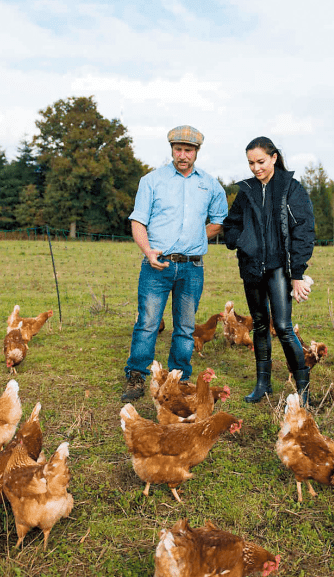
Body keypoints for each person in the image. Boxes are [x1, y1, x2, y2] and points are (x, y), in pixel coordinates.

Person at [121, 125, 228, 402]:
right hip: (157, 265)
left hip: (192, 268)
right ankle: (136, 375)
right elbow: (138, 221)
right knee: (147, 323)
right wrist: (148, 251)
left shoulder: (209, 184)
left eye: (188, 150)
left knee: (185, 327)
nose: (183, 155)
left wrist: (193, 240)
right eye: (178, 149)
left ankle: (179, 377)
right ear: (171, 150)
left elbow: (219, 221)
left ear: (197, 152)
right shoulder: (152, 181)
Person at [223, 136, 316, 405]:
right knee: (260, 325)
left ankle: (302, 389)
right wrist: (240, 241)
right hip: (251, 267)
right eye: (251, 163)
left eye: (260, 161)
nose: (255, 168)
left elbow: (304, 231)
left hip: (278, 268)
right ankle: (263, 384)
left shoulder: (291, 189)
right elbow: (232, 223)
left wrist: (297, 274)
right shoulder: (247, 191)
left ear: (274, 157)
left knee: (284, 327)